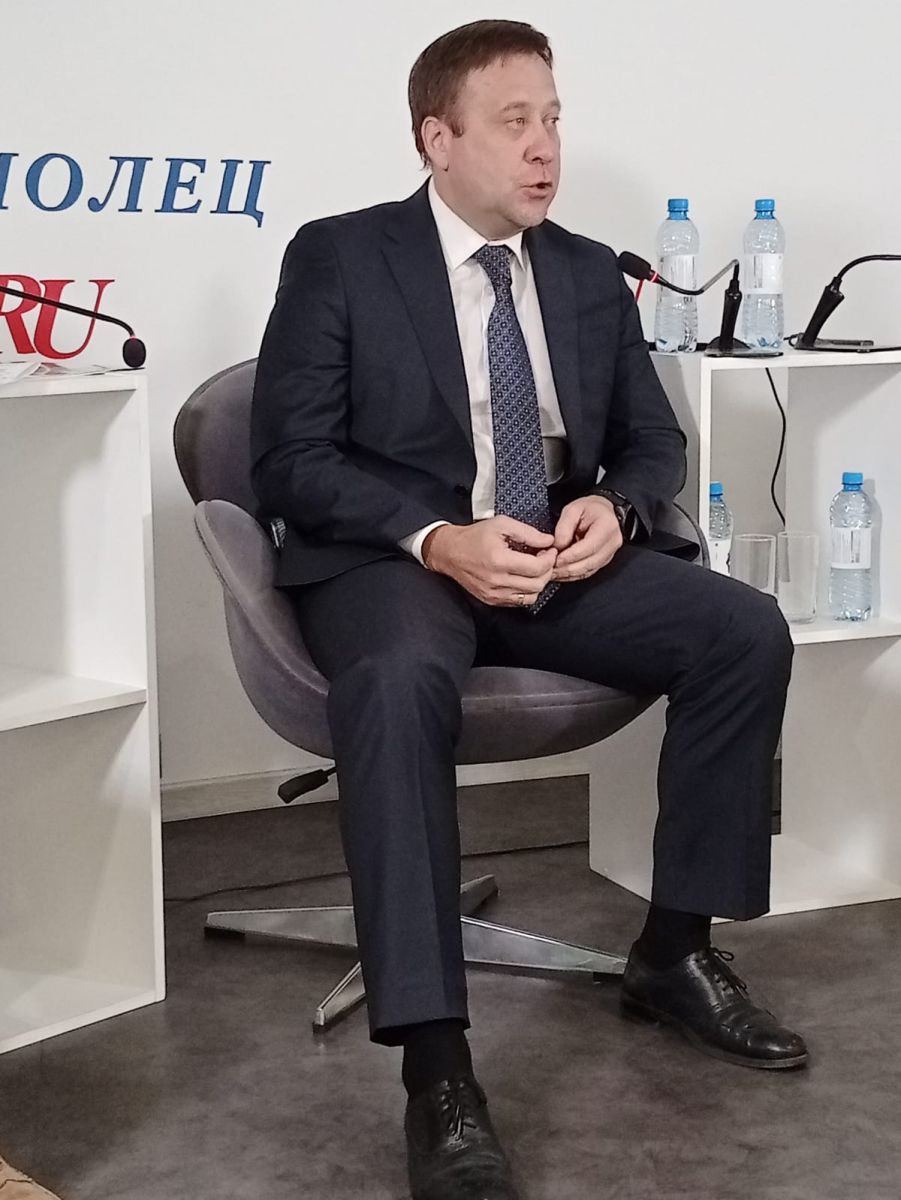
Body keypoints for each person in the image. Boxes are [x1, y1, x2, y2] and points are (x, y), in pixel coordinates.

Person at [250, 19, 807, 1200]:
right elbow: (289, 460)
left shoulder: (584, 271)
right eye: (514, 122)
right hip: (396, 559)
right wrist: (436, 538)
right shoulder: (341, 256)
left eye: (552, 118)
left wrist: (616, 505)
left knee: (742, 630)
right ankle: (437, 1070)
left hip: (545, 549)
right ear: (436, 138)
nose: (545, 146)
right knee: (397, 681)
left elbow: (651, 438)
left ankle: (674, 952)